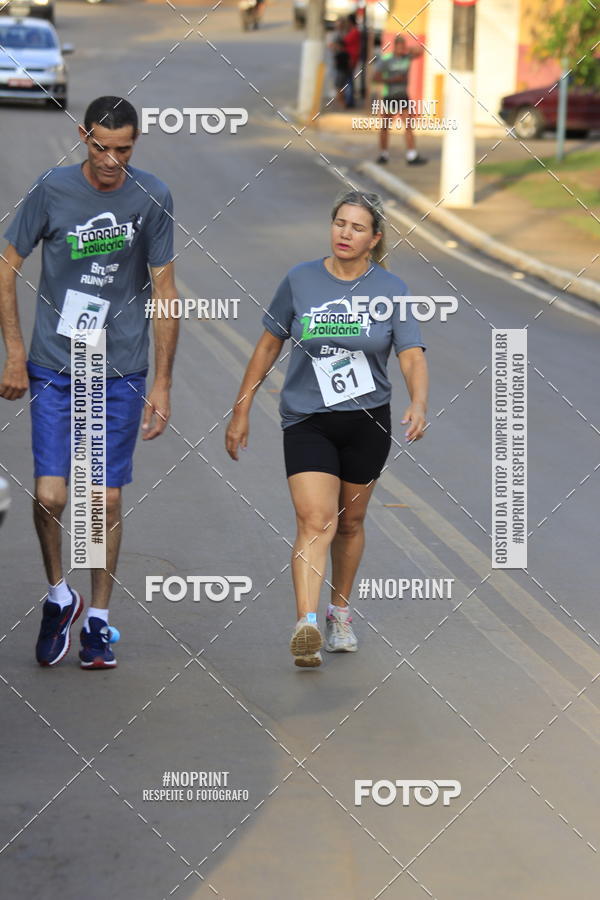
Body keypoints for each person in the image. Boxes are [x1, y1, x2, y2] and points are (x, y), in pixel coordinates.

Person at [0, 96, 178, 669]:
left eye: (123, 150)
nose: (111, 161)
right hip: (54, 365)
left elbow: (165, 292)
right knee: (52, 496)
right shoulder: (52, 189)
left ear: (136, 143)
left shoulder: (151, 197)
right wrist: (15, 352)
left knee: (102, 501)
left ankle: (98, 620)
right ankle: (60, 596)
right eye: (101, 147)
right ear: (84, 136)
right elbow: (7, 268)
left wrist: (165, 381)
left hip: (118, 368)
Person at [225, 190, 428, 668]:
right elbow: (268, 345)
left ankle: (339, 613)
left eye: (358, 228)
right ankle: (306, 624)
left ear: (375, 239)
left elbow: (411, 353)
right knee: (317, 520)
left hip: (367, 421)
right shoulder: (300, 280)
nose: (345, 233)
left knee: (351, 522)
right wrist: (241, 408)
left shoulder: (391, 290)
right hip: (308, 419)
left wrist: (418, 401)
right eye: (340, 223)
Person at [374, 34, 428, 165]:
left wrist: (409, 49)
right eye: (399, 46)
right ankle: (383, 154)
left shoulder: (406, 58)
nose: (401, 49)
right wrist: (392, 80)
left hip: (403, 96)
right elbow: (375, 77)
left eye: (403, 46)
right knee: (385, 126)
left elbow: (421, 51)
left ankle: (411, 155)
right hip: (390, 96)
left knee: (408, 125)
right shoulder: (386, 60)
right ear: (395, 46)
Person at [343, 12, 362, 108]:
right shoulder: (354, 31)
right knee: (349, 80)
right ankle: (349, 100)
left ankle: (349, 101)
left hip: (351, 58)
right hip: (351, 58)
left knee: (349, 80)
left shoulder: (354, 32)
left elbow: (345, 41)